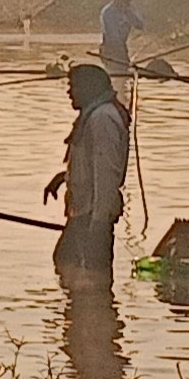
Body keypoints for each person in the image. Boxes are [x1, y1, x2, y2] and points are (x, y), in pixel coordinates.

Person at [44, 65, 131, 274]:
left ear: (88, 88)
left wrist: (98, 226)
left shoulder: (102, 119)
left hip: (92, 216)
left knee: (84, 274)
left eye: (73, 86)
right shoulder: (93, 115)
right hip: (84, 213)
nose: (69, 92)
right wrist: (64, 177)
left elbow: (106, 176)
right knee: (67, 265)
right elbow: (91, 165)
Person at [99, 0, 143, 77]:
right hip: (110, 49)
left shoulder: (130, 9)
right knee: (117, 76)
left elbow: (140, 25)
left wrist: (129, 13)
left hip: (122, 48)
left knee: (124, 77)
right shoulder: (108, 12)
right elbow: (113, 36)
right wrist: (123, 58)